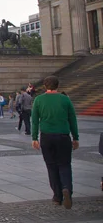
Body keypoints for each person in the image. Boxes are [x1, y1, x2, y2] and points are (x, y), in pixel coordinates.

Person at [31, 76, 79, 209]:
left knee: (51, 166)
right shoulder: (65, 99)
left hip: (46, 137)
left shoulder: (39, 100)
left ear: (45, 86)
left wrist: (34, 137)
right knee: (65, 165)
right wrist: (75, 137)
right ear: (58, 85)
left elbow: (34, 120)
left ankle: (57, 196)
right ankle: (67, 189)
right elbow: (72, 119)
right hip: (63, 136)